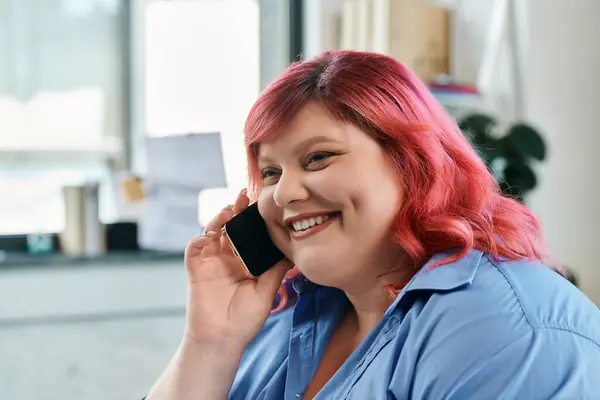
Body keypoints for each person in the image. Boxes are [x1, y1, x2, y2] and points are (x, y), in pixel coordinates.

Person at [145, 50, 600, 400]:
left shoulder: (507, 332)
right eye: (270, 173)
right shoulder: (280, 317)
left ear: (412, 163)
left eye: (318, 157)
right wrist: (210, 341)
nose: (283, 194)